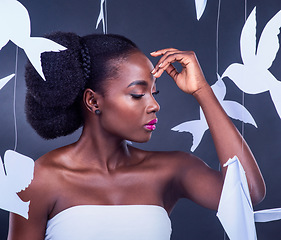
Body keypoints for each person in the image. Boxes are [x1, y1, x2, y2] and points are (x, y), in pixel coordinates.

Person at [8, 32, 265, 240]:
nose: (154, 105)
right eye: (138, 94)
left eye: (154, 93)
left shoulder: (172, 169)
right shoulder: (39, 180)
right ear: (93, 101)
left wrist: (202, 90)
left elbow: (249, 194)